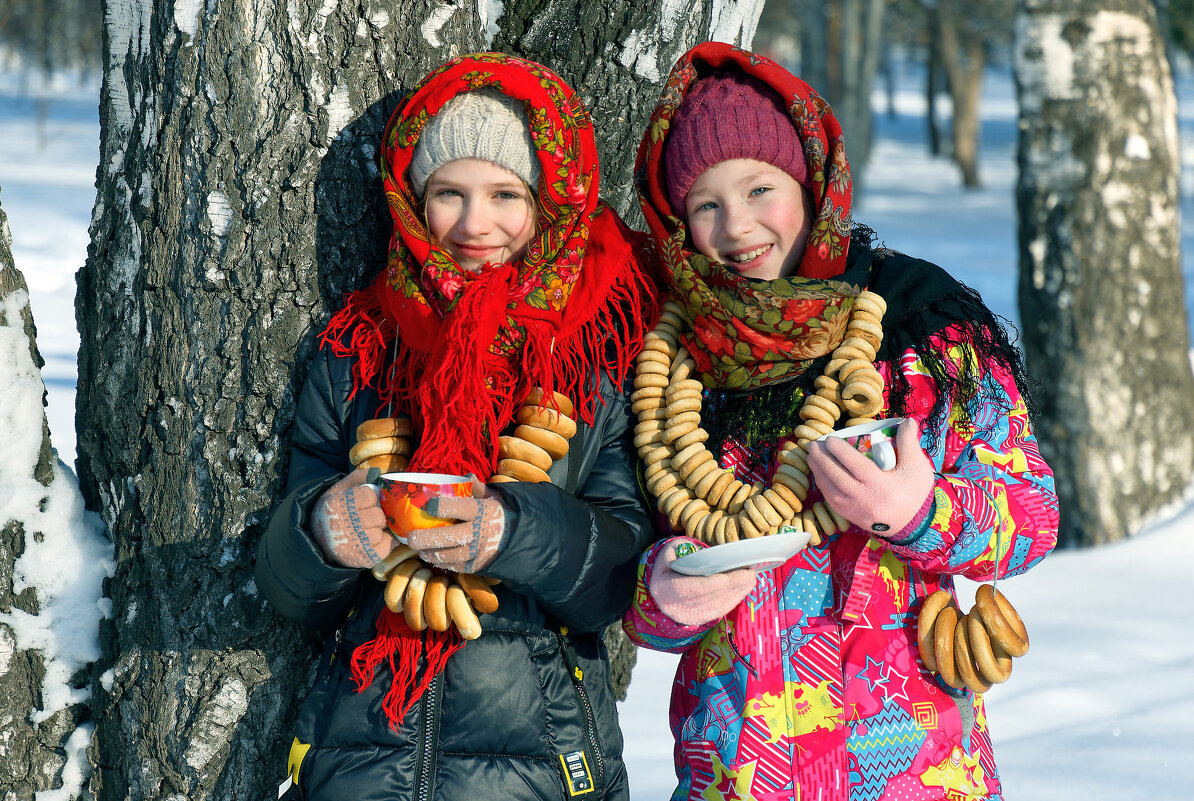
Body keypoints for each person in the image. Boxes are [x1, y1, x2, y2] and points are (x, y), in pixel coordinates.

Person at [621, 42, 1059, 800]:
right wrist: (662, 599)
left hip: (913, 774)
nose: (737, 226)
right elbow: (629, 579)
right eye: (706, 204)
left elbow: (1034, 512)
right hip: (738, 776)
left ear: (810, 183)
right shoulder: (670, 366)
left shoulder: (921, 329)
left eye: (761, 188)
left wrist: (922, 511)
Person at [256, 52, 657, 800]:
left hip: (542, 765)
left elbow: (618, 574)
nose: (475, 225)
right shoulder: (360, 353)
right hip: (359, 757)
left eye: (506, 193)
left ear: (548, 201)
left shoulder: (597, 355)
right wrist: (321, 533)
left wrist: (513, 532)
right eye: (448, 193)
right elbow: (289, 586)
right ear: (411, 200)